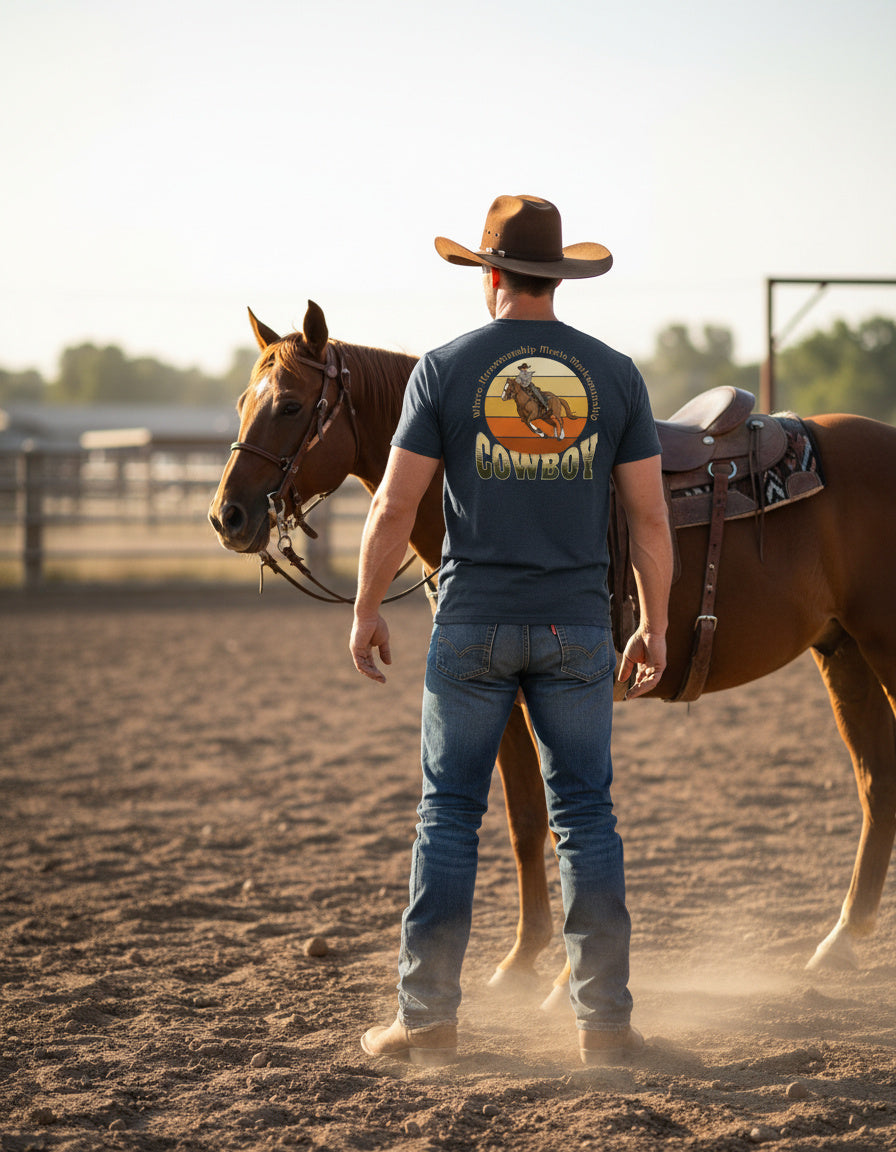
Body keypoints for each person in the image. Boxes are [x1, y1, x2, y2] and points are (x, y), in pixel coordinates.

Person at [350, 194, 673, 1067]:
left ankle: (427, 1028)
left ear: (489, 275)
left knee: (448, 820)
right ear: (555, 278)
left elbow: (394, 502)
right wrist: (656, 625)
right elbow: (649, 520)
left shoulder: (443, 369)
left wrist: (368, 605)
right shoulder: (614, 373)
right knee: (588, 821)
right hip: (576, 631)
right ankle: (605, 1029)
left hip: (471, 631)